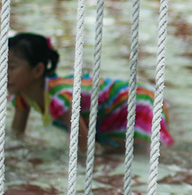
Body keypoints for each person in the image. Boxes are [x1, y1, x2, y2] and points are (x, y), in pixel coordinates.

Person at [7, 32, 173, 149]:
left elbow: (86, 149)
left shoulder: (58, 97)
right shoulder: (23, 95)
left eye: (11, 67)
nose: (4, 72)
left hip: (137, 105)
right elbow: (17, 136)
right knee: (117, 151)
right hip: (111, 111)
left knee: (149, 155)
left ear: (37, 71)